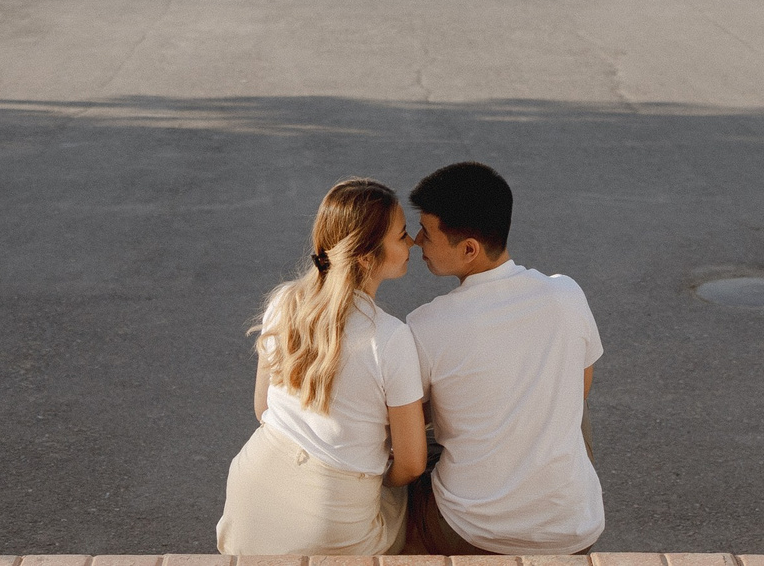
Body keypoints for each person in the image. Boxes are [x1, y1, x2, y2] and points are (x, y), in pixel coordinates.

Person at [215, 178, 427, 556]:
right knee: (418, 503)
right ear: (366, 256)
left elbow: (263, 409)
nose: (411, 243)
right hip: (333, 524)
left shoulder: (284, 301)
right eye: (402, 235)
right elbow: (411, 464)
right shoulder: (391, 338)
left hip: (252, 495)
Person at [401, 162, 603, 557]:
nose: (415, 241)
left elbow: (407, 426)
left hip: (469, 532)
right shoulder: (566, 295)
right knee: (568, 398)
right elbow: (580, 390)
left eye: (427, 231)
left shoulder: (425, 325)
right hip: (574, 530)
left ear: (469, 249)